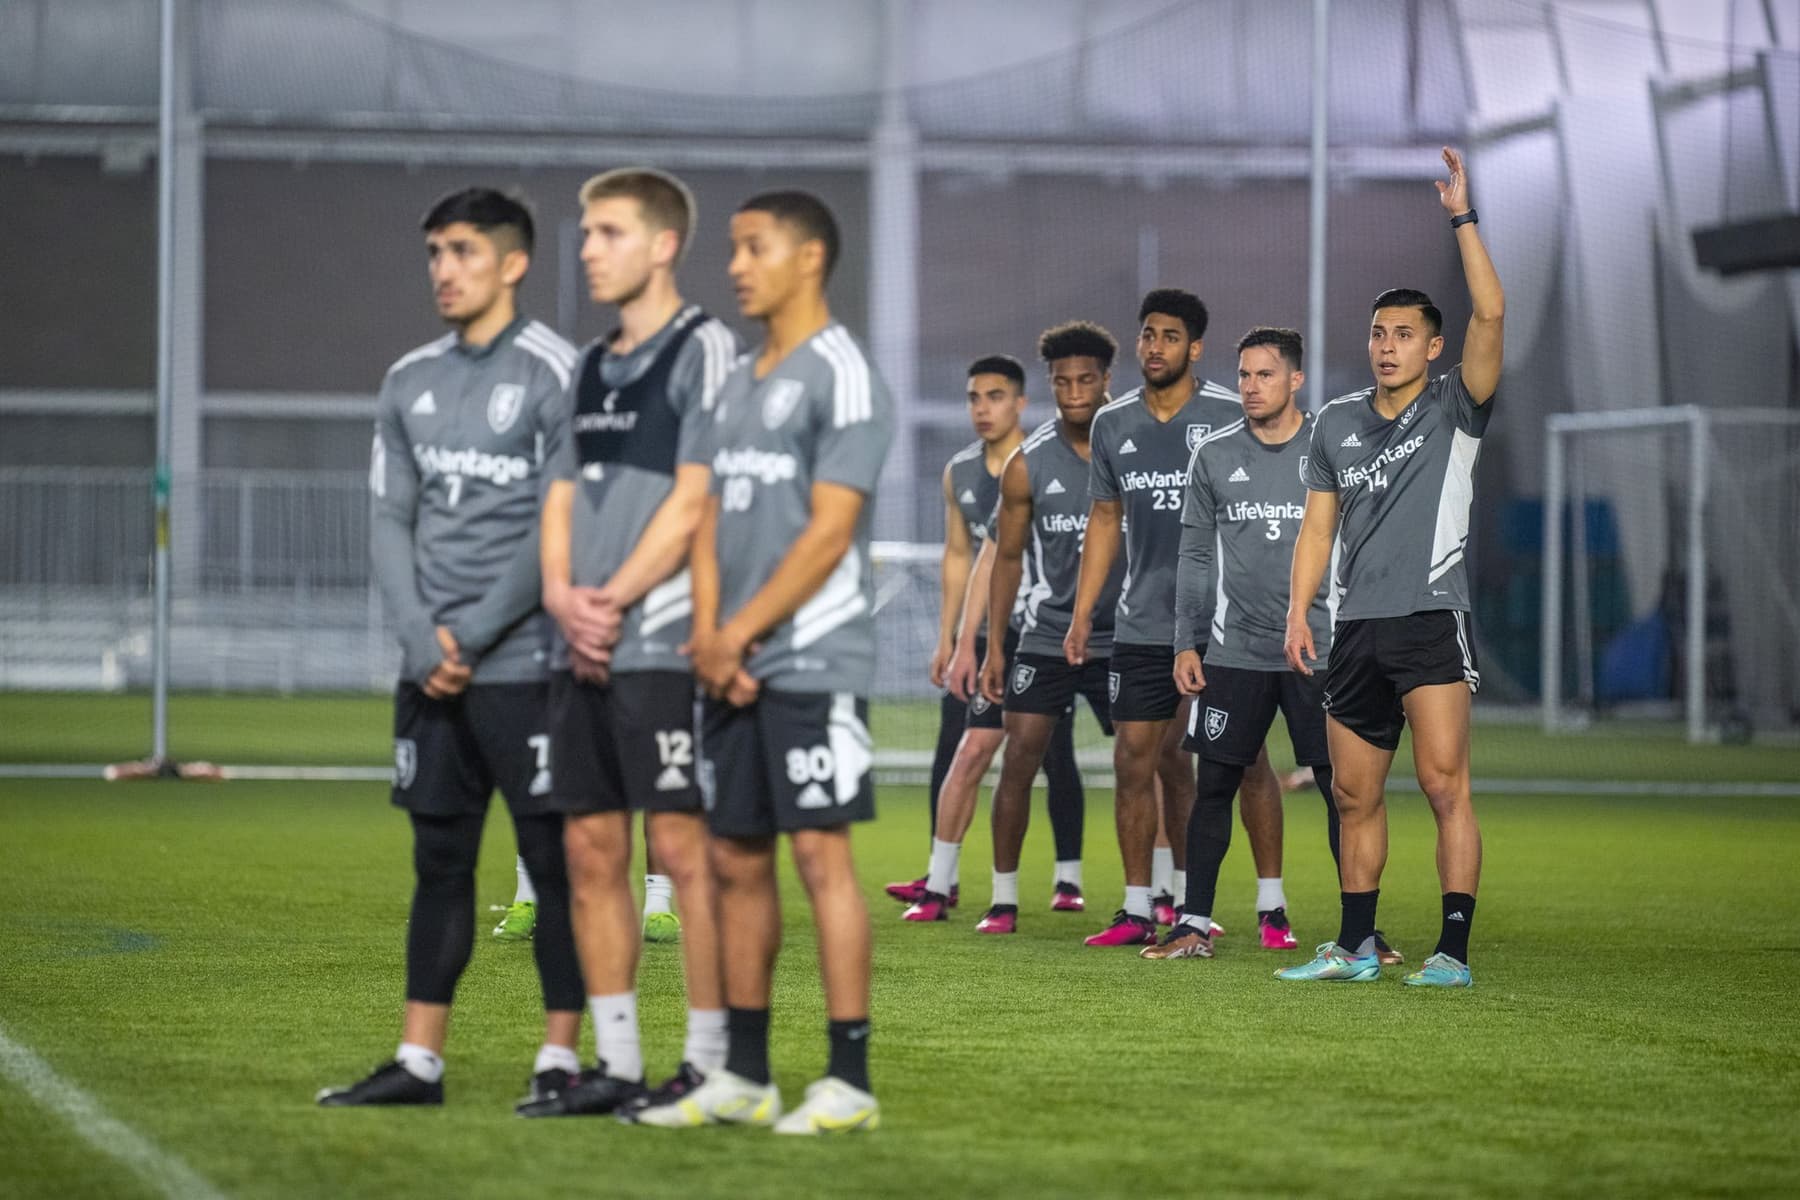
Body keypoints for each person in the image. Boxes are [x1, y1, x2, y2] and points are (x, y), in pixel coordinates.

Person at [632, 190, 891, 1134]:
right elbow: (700, 517)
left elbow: (829, 534)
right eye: (733, 248)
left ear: (810, 257)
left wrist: (739, 637)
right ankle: (743, 1075)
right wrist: (710, 637)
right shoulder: (729, 382)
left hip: (813, 662)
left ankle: (849, 1081)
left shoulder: (844, 373)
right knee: (736, 859)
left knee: (823, 859)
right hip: (727, 662)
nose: (735, 265)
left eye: (755, 247)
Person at [319, 187, 584, 1107]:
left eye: (463, 250)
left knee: (554, 867)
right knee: (439, 863)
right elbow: (390, 518)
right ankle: (418, 1061)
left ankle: (560, 1061)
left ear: (513, 263)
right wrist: (416, 637)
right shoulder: (407, 381)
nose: (443, 269)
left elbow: (561, 529)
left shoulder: (560, 373)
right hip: (427, 668)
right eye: (434, 251)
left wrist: (464, 634)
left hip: (531, 669)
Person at [518, 168, 739, 1117]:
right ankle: (612, 1065)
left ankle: (709, 1060)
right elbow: (558, 495)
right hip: (585, 648)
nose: (588, 249)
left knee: (686, 857)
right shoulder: (585, 366)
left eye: (607, 232)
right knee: (592, 853)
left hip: (660, 647)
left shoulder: (706, 349)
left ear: (661, 244)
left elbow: (698, 496)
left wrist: (608, 601)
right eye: (584, 233)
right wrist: (564, 599)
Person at [1279, 147, 1503, 988]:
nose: (1386, 345)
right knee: (1351, 795)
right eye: (1378, 332)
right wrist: (1302, 610)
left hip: (1430, 618)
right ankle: (1356, 946)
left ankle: (1451, 951)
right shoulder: (1335, 423)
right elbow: (1315, 530)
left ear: (1432, 345)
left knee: (1445, 786)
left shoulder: (1457, 404)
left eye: (1403, 333)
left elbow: (1492, 315)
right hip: (1357, 627)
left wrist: (1462, 217)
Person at [1065, 289, 1283, 946]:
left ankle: (1270, 905)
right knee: (1137, 759)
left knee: (1243, 762)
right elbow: (1105, 521)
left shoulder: (1227, 413)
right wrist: (1082, 616)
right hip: (1139, 626)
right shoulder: (1113, 423)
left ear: (1194, 347)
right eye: (1146, 335)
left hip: (1224, 628)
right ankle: (1139, 908)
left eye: (1168, 336)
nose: (1153, 346)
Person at [1142, 327, 1340, 960]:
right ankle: (1193, 923)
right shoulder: (1213, 455)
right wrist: (1186, 642)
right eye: (1245, 375)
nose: (1251, 388)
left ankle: (1360, 931)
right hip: (1233, 653)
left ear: (1295, 381)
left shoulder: (1329, 449)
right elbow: (1195, 555)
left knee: (1345, 790)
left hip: (1321, 651)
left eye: (1265, 375)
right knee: (1215, 786)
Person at [889, 355, 1087, 921]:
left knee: (1055, 753)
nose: (982, 408)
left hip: (1047, 633)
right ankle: (940, 878)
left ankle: (1068, 877)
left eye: (995, 397)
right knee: (963, 745)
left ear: (1021, 403)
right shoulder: (960, 472)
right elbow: (963, 558)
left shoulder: (1047, 460)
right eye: (975, 397)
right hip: (991, 635)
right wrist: (952, 639)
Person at [974, 323, 1124, 936]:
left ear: (1106, 381)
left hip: (1128, 636)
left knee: (1157, 762)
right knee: (1019, 759)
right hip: (1045, 635)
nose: (1073, 392)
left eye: (1085, 379)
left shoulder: (1138, 443)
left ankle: (1164, 896)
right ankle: (1003, 899)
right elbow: (1006, 560)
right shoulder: (1026, 461)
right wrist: (992, 650)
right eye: (1062, 381)